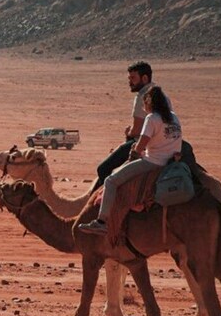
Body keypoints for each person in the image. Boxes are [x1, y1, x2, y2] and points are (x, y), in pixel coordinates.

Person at [78, 86, 182, 235]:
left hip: (153, 163)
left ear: (150, 103)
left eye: (144, 103)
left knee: (110, 181)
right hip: (171, 163)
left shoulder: (152, 118)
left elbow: (141, 145)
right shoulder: (174, 117)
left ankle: (101, 222)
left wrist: (134, 152)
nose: (143, 107)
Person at [91, 61, 170, 192]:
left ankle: (106, 203)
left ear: (144, 78)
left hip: (145, 142)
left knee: (103, 169)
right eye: (129, 78)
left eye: (133, 78)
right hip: (165, 141)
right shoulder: (163, 95)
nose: (130, 82)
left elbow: (137, 130)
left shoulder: (143, 96)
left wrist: (129, 132)